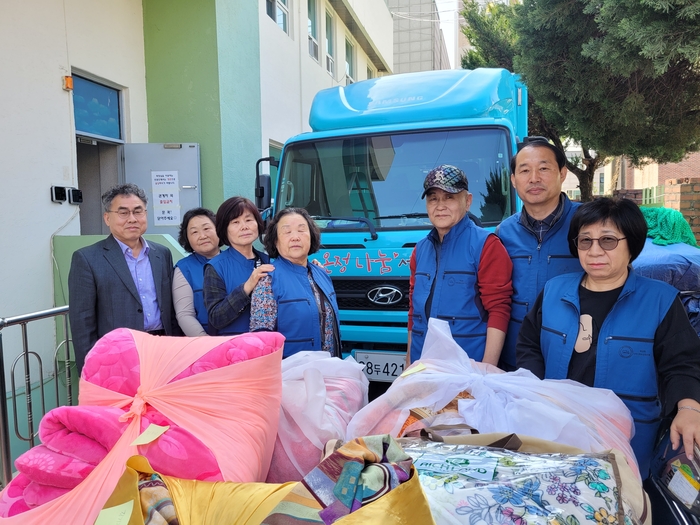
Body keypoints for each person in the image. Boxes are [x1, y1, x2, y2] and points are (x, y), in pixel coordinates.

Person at [516, 198, 700, 478]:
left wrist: (689, 408)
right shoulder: (554, 290)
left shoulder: (660, 300)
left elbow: (683, 363)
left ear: (632, 244)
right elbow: (529, 344)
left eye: (608, 240)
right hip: (557, 430)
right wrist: (537, 393)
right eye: (585, 241)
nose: (594, 251)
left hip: (627, 439)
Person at [407, 164, 513, 366]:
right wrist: (408, 364)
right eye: (433, 199)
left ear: (468, 201)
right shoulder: (419, 250)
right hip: (423, 366)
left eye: (449, 197)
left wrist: (486, 368)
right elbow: (414, 312)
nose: (440, 206)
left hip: (468, 367)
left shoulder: (487, 245)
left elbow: (499, 309)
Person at [68, 183, 178, 374]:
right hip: (116, 354)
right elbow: (82, 322)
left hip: (162, 347)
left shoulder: (161, 253)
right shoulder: (87, 258)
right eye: (123, 213)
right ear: (107, 218)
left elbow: (170, 308)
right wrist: (89, 370)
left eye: (138, 211)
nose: (132, 219)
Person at [497, 137, 583, 371]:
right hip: (516, 357)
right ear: (513, 180)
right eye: (525, 171)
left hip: (574, 356)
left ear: (562, 173)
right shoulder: (504, 232)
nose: (534, 178)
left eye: (543, 168)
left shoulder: (588, 223)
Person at [249, 208, 340, 358]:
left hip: (328, 367)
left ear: (311, 236)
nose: (295, 237)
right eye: (287, 232)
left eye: (301, 230)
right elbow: (261, 340)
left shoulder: (321, 273)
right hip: (292, 369)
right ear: (275, 241)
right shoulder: (268, 279)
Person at [203, 197, 274, 335]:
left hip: (268, 342)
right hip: (233, 344)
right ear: (224, 229)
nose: (244, 227)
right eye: (235, 222)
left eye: (249, 220)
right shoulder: (215, 267)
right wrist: (247, 287)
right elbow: (216, 318)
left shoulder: (269, 261)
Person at [172, 208, 222, 336]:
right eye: (194, 232)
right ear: (187, 238)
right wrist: (205, 342)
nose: (202, 236)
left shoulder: (234, 260)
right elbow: (185, 315)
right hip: (205, 340)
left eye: (207, 228)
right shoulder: (184, 268)